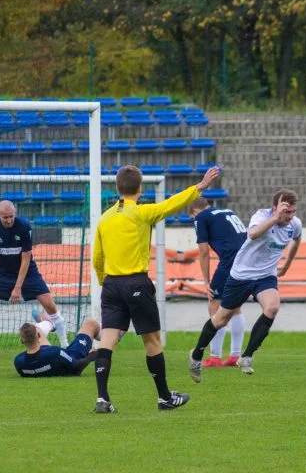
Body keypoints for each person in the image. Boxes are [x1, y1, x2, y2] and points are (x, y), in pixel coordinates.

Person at [92, 165, 221, 413]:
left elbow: (97, 257)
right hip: (135, 283)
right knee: (152, 341)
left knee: (107, 341)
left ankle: (102, 399)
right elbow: (170, 205)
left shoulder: (105, 218)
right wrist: (199, 187)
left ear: (117, 188)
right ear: (140, 188)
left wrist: (104, 283)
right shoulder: (141, 213)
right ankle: (164, 398)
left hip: (111, 285)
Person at [188, 189, 301, 381]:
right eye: (286, 212)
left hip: (265, 276)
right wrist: (275, 218)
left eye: (293, 212)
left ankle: (246, 356)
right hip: (241, 275)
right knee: (220, 319)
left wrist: (287, 265)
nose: (290, 217)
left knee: (272, 307)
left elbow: (297, 240)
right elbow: (253, 233)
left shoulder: (295, 224)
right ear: (274, 209)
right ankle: (196, 355)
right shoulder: (261, 216)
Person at [0, 200, 68, 357]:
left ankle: (65, 345)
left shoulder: (24, 227)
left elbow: (26, 257)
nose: (9, 220)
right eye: (5, 217)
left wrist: (17, 287)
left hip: (28, 272)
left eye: (11, 216)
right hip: (3, 272)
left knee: (49, 304)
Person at [187, 198, 247, 367]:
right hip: (246, 260)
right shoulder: (227, 211)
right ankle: (235, 356)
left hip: (230, 261)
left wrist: (206, 282)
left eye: (192, 218)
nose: (194, 221)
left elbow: (204, 251)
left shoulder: (201, 217)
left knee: (214, 304)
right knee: (235, 306)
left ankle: (215, 356)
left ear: (195, 212)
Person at [14, 318, 100, 378]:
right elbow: (76, 368)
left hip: (46, 358)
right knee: (91, 324)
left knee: (36, 328)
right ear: (39, 336)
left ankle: (50, 323)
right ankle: (107, 340)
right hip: (73, 355)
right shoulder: (54, 352)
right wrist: (91, 356)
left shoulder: (18, 361)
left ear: (22, 341)